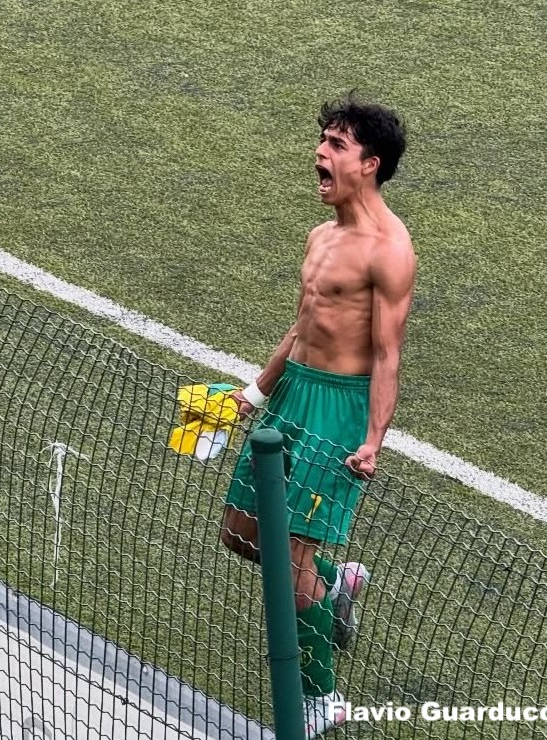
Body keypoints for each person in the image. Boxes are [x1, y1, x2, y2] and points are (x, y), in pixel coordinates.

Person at [220, 92, 414, 738]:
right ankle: (338, 585)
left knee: (291, 555)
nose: (320, 155)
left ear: (369, 164)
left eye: (336, 145)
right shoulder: (320, 236)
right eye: (322, 141)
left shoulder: (390, 251)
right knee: (240, 533)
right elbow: (303, 326)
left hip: (337, 412)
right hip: (293, 394)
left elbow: (386, 354)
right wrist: (253, 394)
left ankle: (321, 697)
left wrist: (373, 439)